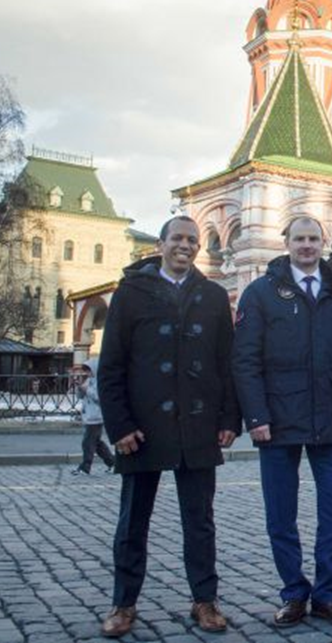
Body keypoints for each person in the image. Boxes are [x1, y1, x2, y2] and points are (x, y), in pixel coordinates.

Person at [97, 215, 240, 638]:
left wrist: (230, 418)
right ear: (159, 245)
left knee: (200, 521)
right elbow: (112, 367)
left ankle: (205, 600)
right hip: (142, 429)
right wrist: (119, 425)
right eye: (177, 238)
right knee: (133, 522)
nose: (185, 245)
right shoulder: (131, 292)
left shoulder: (213, 295)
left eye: (192, 240)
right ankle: (123, 604)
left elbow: (226, 363)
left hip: (197, 425)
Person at [233, 216, 332, 628]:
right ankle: (293, 592)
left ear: (323, 244)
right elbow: (245, 361)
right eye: (300, 239)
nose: (307, 246)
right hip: (276, 421)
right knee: (281, 515)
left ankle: (329, 595)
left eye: (314, 239)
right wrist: (255, 416)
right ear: (287, 243)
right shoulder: (260, 293)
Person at [72, 357, 115, 475]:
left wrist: (87, 390)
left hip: (96, 417)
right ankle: (113, 463)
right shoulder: (89, 380)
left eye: (89, 370)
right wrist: (79, 387)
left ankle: (85, 467)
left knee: (87, 443)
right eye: (86, 371)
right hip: (89, 417)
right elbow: (81, 396)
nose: (87, 373)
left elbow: (99, 398)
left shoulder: (100, 382)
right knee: (96, 443)